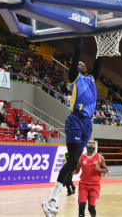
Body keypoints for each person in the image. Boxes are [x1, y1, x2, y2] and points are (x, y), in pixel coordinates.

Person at [42, 38, 102, 217]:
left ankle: (51, 202)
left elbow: (99, 61)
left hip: (87, 124)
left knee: (74, 161)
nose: (82, 64)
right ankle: (52, 200)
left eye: (84, 64)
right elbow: (77, 53)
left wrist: (101, 38)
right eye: (80, 64)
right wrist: (80, 33)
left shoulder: (91, 79)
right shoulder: (74, 78)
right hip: (75, 119)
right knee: (74, 158)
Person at [72, 140, 108, 217]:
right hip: (83, 185)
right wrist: (69, 172)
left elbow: (106, 170)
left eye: (93, 143)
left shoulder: (100, 157)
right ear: (86, 145)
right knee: (81, 206)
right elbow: (77, 170)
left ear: (95, 146)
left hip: (95, 185)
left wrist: (100, 169)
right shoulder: (81, 157)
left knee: (91, 208)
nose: (91, 144)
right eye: (89, 143)